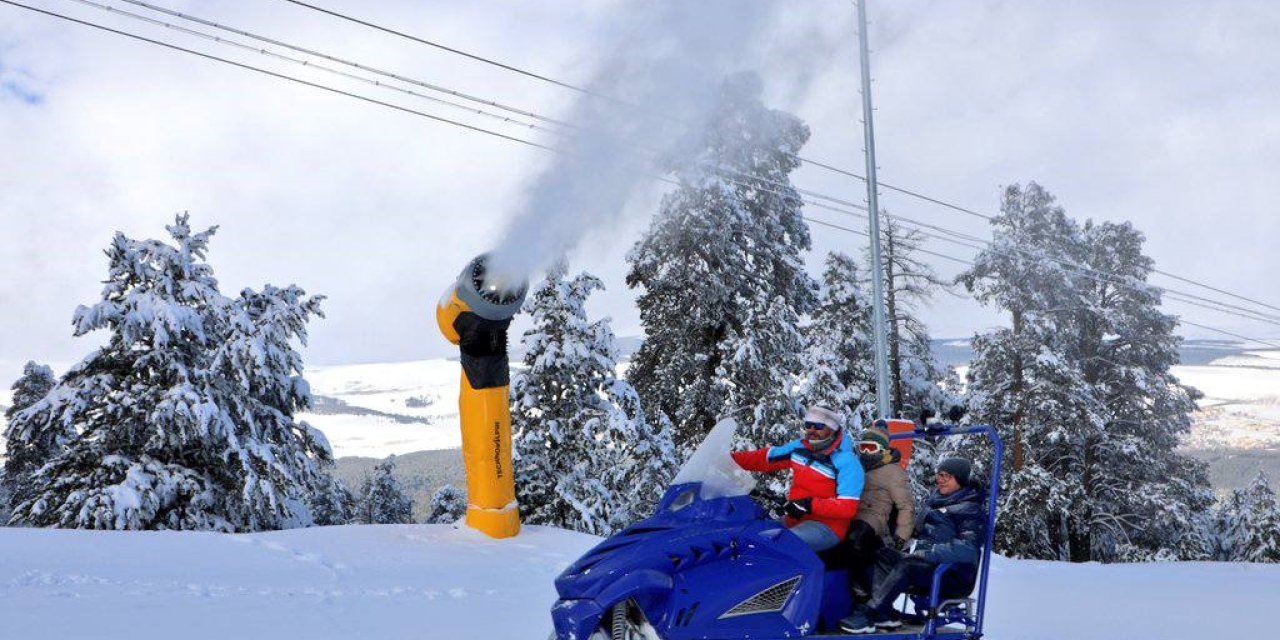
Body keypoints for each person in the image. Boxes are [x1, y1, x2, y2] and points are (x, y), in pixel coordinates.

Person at [839, 457, 986, 634]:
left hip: (951, 573)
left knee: (908, 566)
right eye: (939, 475)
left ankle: (870, 612)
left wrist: (927, 552)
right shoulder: (935, 502)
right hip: (927, 564)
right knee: (880, 554)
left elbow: (967, 549)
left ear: (960, 480)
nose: (940, 480)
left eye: (947, 476)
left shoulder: (970, 510)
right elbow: (917, 532)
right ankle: (881, 610)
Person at [730, 406, 864, 552]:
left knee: (776, 544)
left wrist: (809, 505)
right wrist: (728, 460)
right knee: (748, 535)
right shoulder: (801, 448)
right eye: (808, 425)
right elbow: (765, 458)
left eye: (818, 426)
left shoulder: (847, 462)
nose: (812, 430)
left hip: (827, 527)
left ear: (832, 428)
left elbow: (847, 507)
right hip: (795, 520)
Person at [844, 421, 915, 598]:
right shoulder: (858, 467)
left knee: (854, 538)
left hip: (874, 517)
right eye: (863, 448)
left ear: (882, 449)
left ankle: (862, 587)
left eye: (871, 448)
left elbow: (906, 506)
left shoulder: (892, 471)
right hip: (851, 513)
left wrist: (901, 537)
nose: (866, 453)